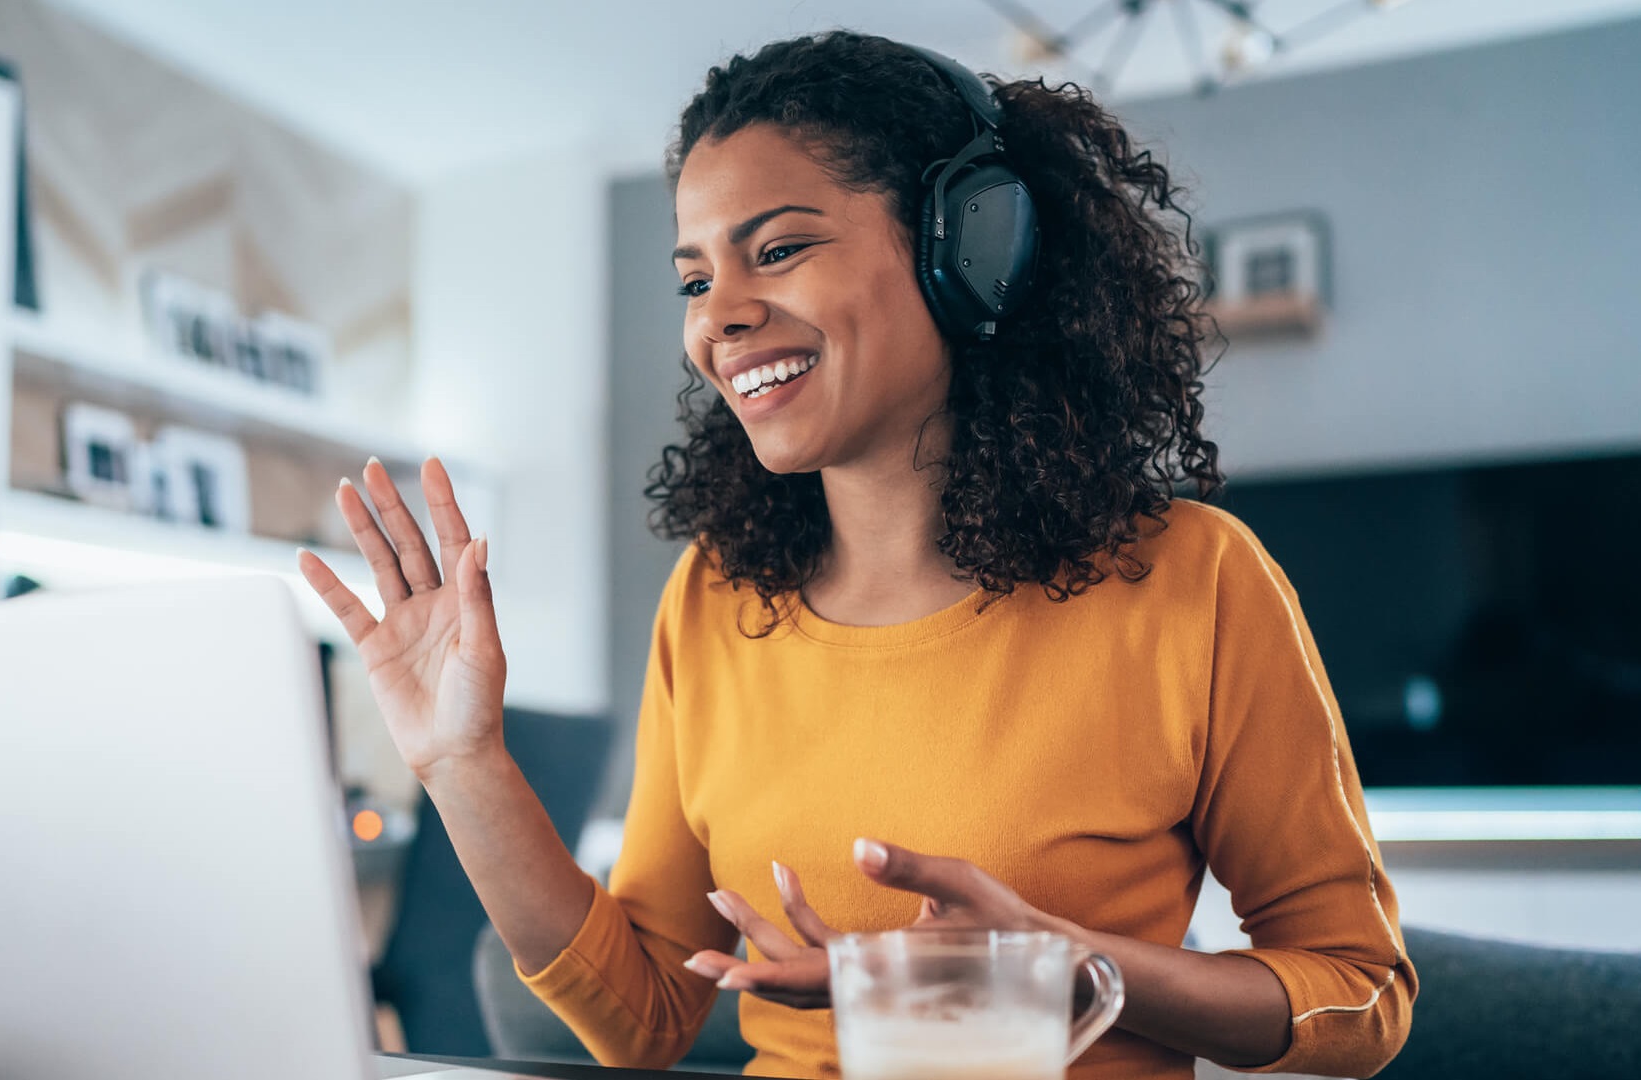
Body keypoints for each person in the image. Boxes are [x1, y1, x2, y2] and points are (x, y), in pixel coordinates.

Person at [298, 30, 1415, 1080]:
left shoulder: (1194, 579)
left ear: (972, 249)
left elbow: (1360, 997)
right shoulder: (717, 598)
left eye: (776, 250)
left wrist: (1070, 963)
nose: (717, 320)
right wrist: (464, 765)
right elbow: (642, 1018)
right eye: (695, 279)